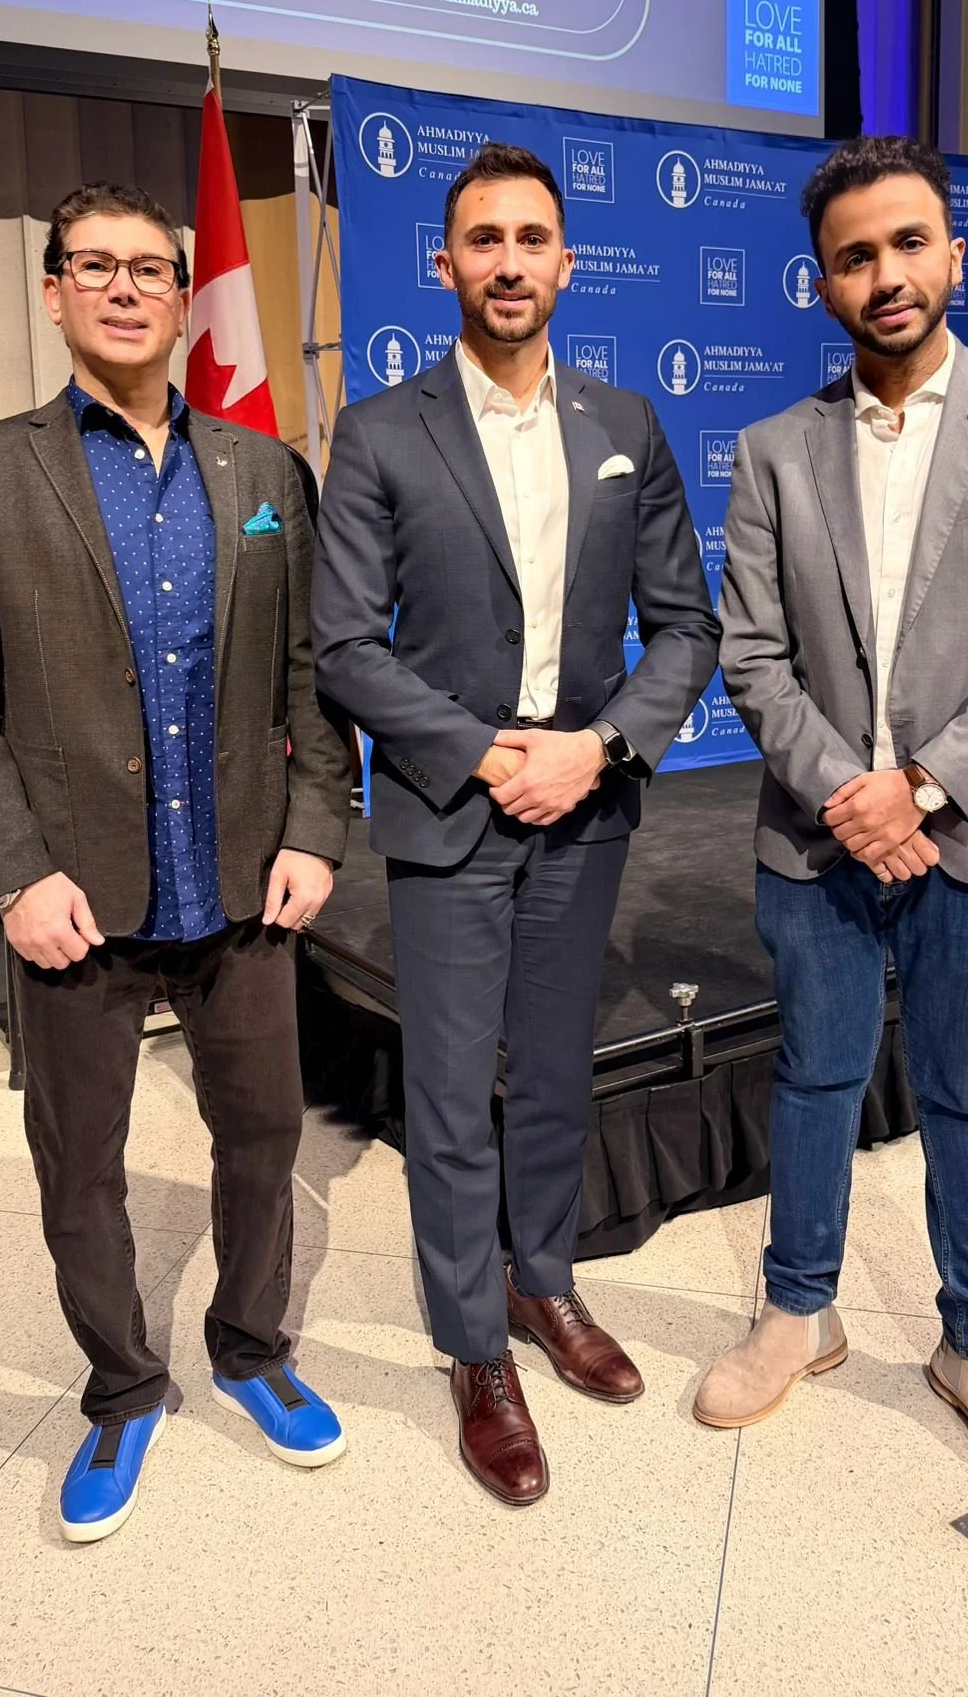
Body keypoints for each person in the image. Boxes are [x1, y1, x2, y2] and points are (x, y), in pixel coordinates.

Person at [0, 181, 354, 1542]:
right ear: (52, 293)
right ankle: (122, 1384)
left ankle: (251, 1346)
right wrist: (11, 875)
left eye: (148, 270)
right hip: (72, 902)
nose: (122, 289)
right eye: (91, 268)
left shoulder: (266, 471)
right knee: (80, 1164)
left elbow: (306, 676)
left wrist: (317, 830)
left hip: (242, 889)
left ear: (181, 294)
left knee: (266, 1139)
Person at [695, 136, 968, 1507]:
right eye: (855, 255)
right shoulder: (773, 450)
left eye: (908, 244)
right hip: (819, 836)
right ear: (820, 280)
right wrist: (852, 795)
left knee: (967, 1090)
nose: (885, 274)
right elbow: (751, 654)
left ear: (956, 256)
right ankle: (797, 1310)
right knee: (815, 1076)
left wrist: (921, 787)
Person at [311, 143, 719, 1506]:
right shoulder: (378, 431)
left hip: (586, 810)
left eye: (530, 238)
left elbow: (686, 627)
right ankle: (472, 1346)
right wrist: (490, 755)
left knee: (554, 1071)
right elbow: (345, 648)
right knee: (447, 1095)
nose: (506, 262)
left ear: (565, 263)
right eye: (480, 240)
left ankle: (544, 1285)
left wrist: (592, 751)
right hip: (449, 810)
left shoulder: (629, 426)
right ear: (445, 264)